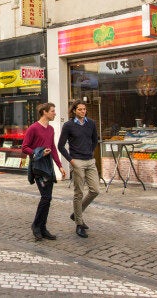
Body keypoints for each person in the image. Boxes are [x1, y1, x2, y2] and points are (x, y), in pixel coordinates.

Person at [22, 102, 66, 241]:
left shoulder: (51, 129)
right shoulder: (33, 128)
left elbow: (52, 147)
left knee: (48, 198)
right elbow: (25, 147)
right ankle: (36, 226)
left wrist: (59, 165)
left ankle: (43, 228)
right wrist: (37, 152)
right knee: (46, 197)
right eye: (52, 111)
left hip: (48, 166)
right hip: (37, 166)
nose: (54, 113)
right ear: (45, 112)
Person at [57, 100, 100, 238]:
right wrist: (71, 160)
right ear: (74, 110)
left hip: (90, 161)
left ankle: (76, 213)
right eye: (80, 109)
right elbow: (60, 146)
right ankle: (79, 224)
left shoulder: (91, 123)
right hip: (77, 161)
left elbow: (95, 140)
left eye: (84, 109)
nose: (83, 111)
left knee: (95, 190)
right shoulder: (68, 125)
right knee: (78, 193)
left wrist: (90, 152)